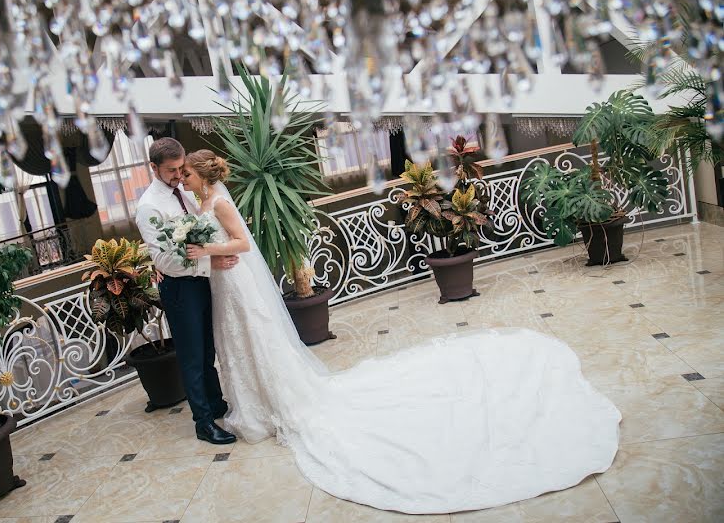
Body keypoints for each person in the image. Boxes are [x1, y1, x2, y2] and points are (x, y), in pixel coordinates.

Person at [180, 148, 623, 515]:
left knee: (254, 340)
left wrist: (208, 248)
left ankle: (276, 404)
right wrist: (204, 254)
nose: (182, 178)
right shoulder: (200, 203)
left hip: (235, 279)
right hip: (223, 281)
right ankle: (255, 403)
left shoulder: (218, 201)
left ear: (202, 175)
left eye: (186, 173)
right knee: (236, 343)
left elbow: (242, 243)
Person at [134, 138, 238, 445]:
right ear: (153, 168)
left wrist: (210, 258)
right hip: (180, 288)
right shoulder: (148, 207)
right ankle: (203, 422)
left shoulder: (183, 190)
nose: (179, 175)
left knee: (207, 350)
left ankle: (216, 403)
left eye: (182, 168)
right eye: (171, 170)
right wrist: (211, 261)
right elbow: (164, 260)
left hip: (203, 281)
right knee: (192, 357)